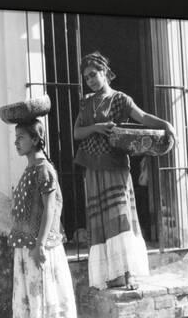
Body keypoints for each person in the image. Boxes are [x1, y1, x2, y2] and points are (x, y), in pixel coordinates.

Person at [74, 51, 176, 290]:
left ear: (105, 73)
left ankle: (128, 273)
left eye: (93, 74)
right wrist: (97, 127)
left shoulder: (120, 99)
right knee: (100, 219)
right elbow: (77, 133)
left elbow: (142, 117)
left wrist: (166, 124)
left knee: (120, 217)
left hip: (115, 164)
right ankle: (111, 275)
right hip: (93, 168)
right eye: (86, 77)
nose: (89, 80)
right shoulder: (85, 102)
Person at [8, 118, 86, 318]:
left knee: (45, 300)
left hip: (40, 248)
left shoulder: (44, 169)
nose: (16, 142)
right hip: (26, 246)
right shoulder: (31, 169)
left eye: (21, 137)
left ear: (35, 139)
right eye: (16, 137)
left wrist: (40, 244)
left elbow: (51, 208)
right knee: (31, 302)